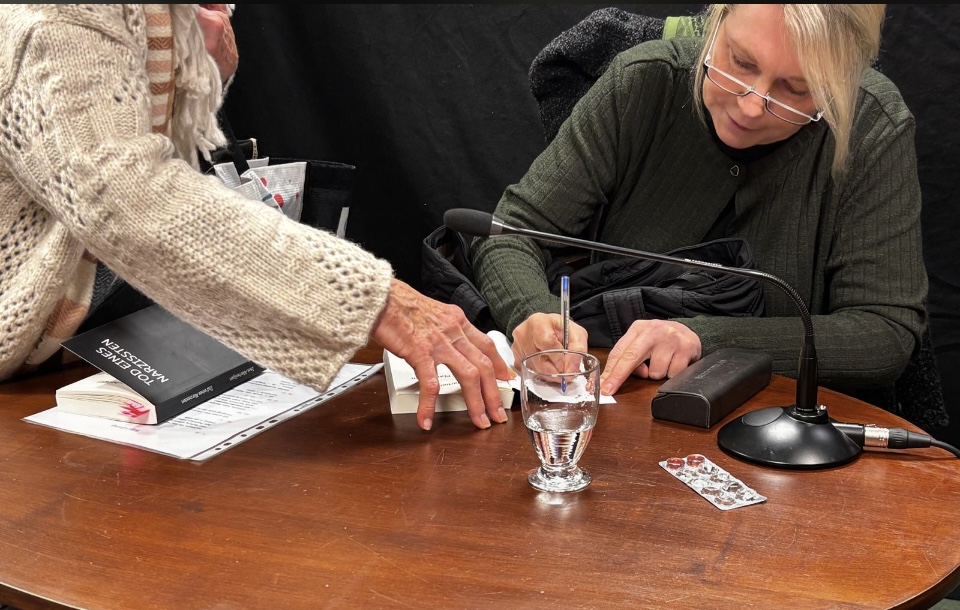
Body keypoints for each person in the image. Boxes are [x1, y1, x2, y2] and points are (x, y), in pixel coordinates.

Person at [0, 4, 513, 432]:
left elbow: (114, 153)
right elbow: (123, 198)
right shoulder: (61, 19)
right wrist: (371, 298)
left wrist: (196, 64)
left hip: (73, 350)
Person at [471, 4, 927, 400]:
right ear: (716, 21)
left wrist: (704, 338)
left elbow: (885, 333)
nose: (752, 107)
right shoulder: (643, 82)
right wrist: (532, 311)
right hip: (621, 405)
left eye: (796, 89)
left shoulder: (872, 127)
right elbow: (507, 233)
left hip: (783, 426)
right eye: (741, 62)